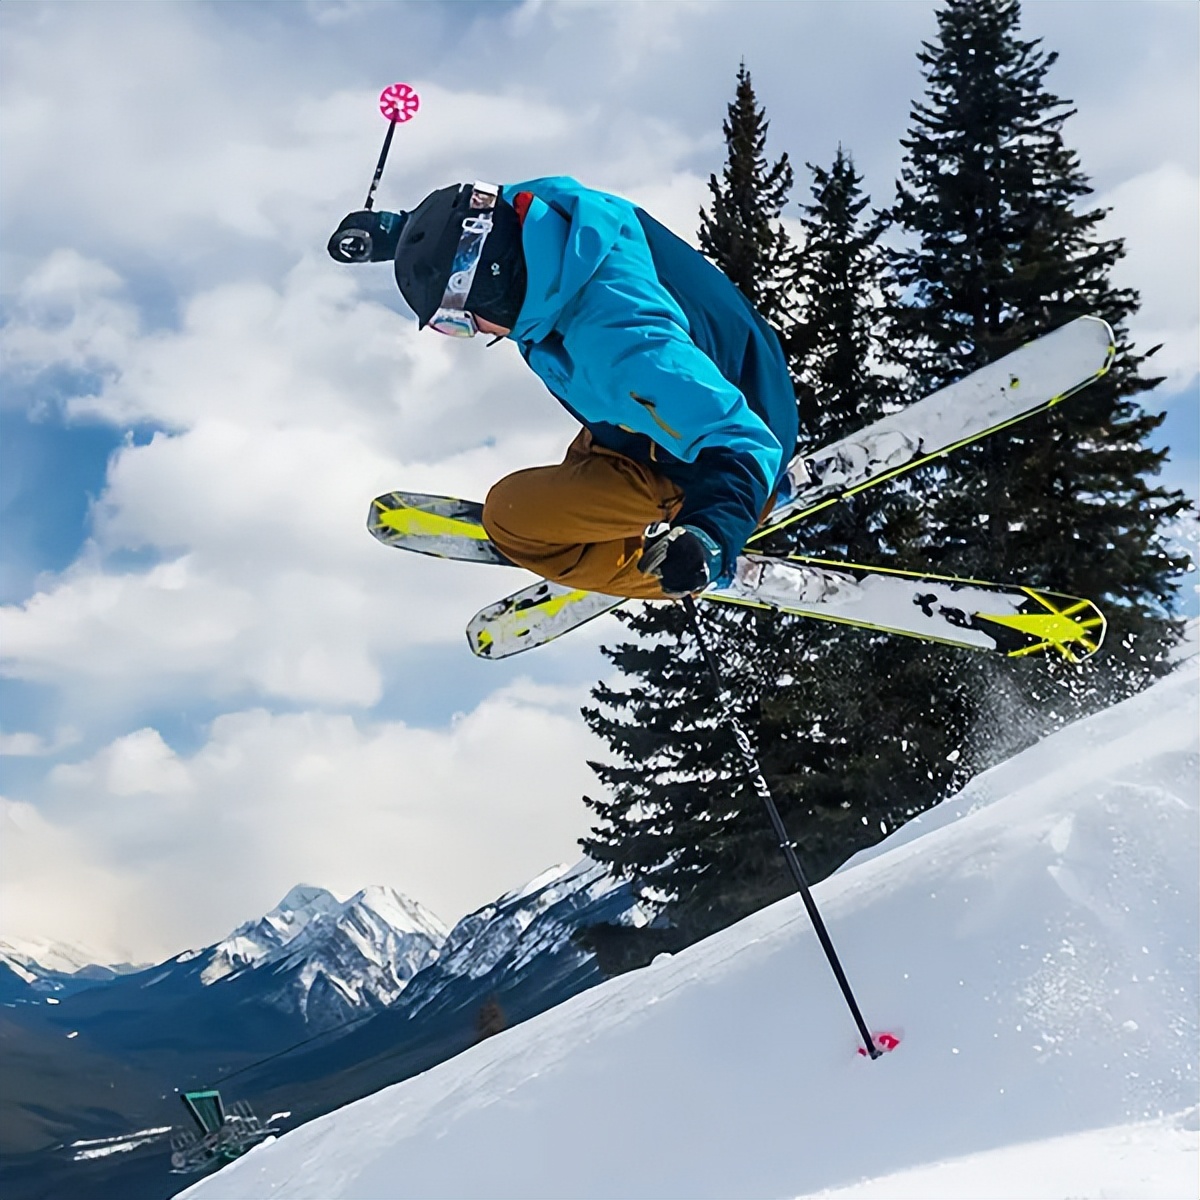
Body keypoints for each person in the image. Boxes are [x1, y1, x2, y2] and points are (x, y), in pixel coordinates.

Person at [327, 177, 797, 600]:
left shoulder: (624, 346)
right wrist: (404, 233)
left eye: (458, 322)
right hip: (736, 385)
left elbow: (740, 440)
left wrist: (711, 537)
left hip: (713, 453)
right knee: (583, 461)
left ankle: (703, 563)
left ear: (492, 287)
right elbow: (481, 219)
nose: (478, 332)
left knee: (513, 519)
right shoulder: (551, 220)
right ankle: (734, 502)